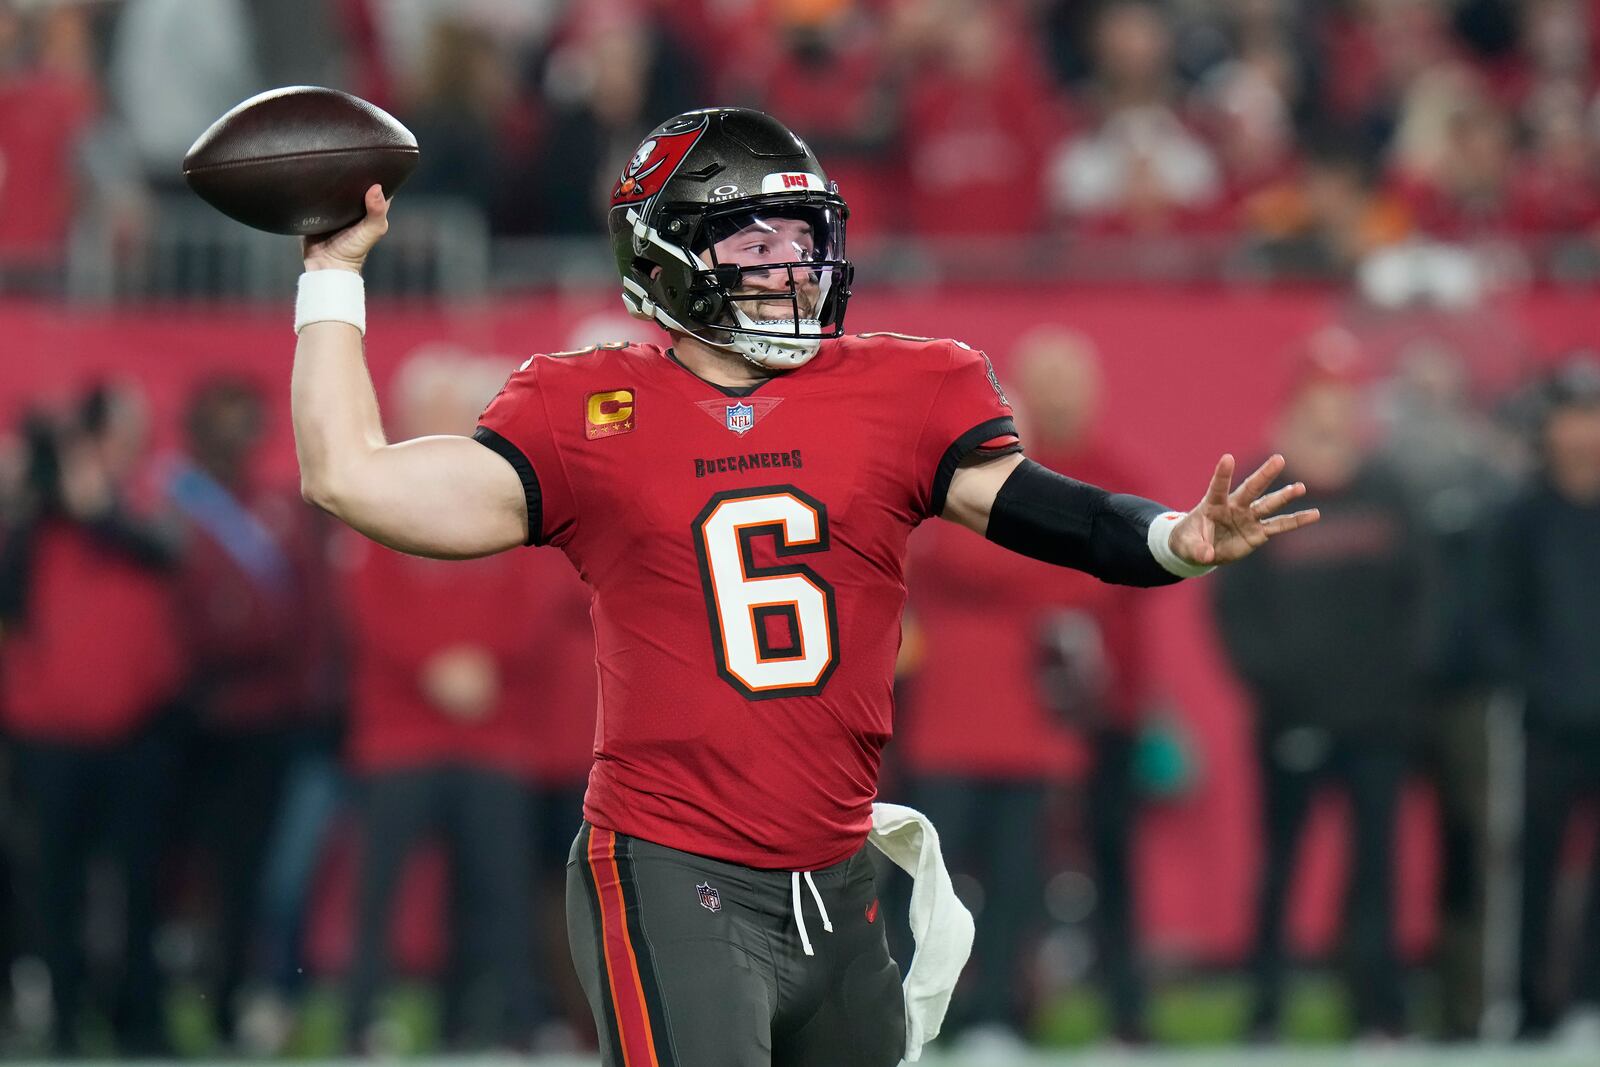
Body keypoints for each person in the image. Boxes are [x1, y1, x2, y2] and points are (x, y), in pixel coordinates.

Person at [286, 107, 1319, 1066]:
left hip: (838, 876)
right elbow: (353, 476)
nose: (790, 266)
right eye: (753, 241)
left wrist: (1176, 536)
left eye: (800, 235)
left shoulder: (902, 389)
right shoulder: (587, 408)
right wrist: (333, 273)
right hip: (672, 862)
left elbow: (1050, 510)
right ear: (667, 253)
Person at [893, 330, 1155, 1049]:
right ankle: (912, 1008)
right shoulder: (937, 500)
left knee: (1016, 880)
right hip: (953, 721)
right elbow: (950, 562)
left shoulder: (1009, 502)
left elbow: (1075, 580)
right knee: (926, 882)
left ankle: (998, 1010)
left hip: (1031, 724)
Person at [1212, 341, 1425, 1041]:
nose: (1332, 421)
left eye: (1343, 405)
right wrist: (1280, 686)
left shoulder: (1389, 490)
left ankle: (1377, 1010)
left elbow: (1425, 597)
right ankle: (1265, 1009)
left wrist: (1400, 679)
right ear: (1296, 413)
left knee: (1375, 870)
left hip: (1377, 718)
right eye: (1318, 406)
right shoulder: (1264, 491)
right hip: (1291, 717)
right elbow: (1232, 606)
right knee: (1280, 867)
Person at [341, 353, 543, 1053]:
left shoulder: (510, 492)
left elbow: (531, 592)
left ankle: (511, 1020)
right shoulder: (378, 487)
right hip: (400, 732)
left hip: (491, 733)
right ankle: (359, 1017)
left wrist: (481, 660)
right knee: (380, 891)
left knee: (498, 887)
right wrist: (437, 663)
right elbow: (369, 595)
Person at [0, 384, 184, 1056]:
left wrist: (98, 508)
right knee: (53, 883)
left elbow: (165, 552)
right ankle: (64, 1017)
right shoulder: (33, 525)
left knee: (138, 884)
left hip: (138, 734)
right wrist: (31, 495)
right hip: (47, 736)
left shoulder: (146, 505)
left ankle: (137, 1017)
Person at [1488, 357, 1600, 1041]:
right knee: (1531, 864)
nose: (1583, 431)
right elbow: (1494, 618)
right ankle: (1530, 1005)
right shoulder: (1521, 518)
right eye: (1571, 415)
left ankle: (1591, 997)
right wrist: (1537, 684)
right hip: (1547, 722)